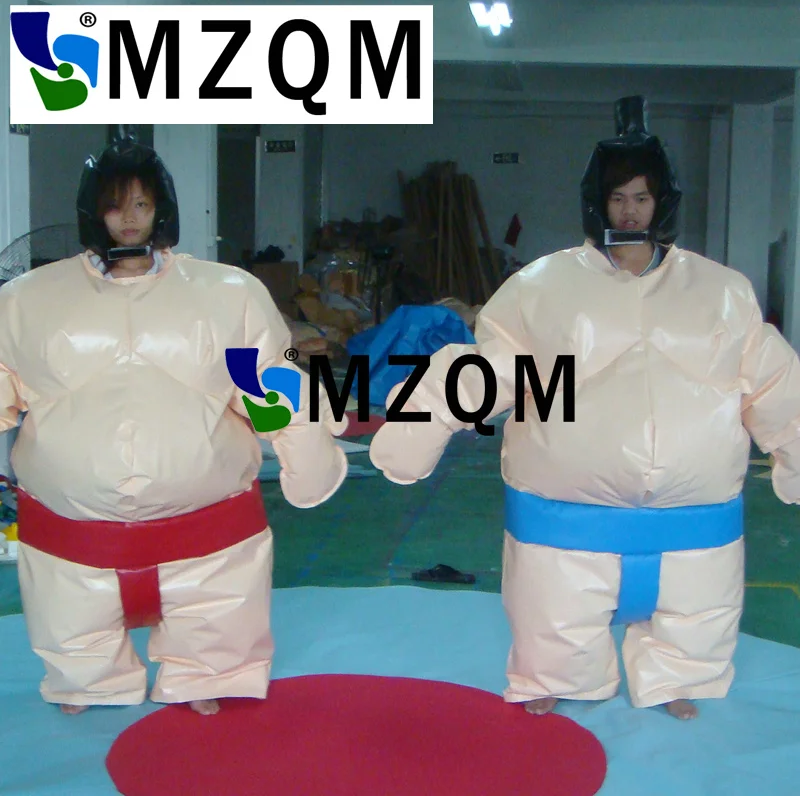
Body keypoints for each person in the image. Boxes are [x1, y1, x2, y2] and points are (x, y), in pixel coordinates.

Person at [369, 96, 800, 721]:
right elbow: (492, 366)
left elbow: (772, 377)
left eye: (642, 197)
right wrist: (418, 427)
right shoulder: (546, 286)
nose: (630, 210)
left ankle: (676, 679)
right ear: (598, 203)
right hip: (568, 512)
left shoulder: (720, 291)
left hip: (693, 512)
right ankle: (552, 675)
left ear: (662, 203)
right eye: (618, 197)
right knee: (555, 607)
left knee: (694, 611)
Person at [0, 137, 348, 716]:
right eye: (115, 205)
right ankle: (86, 681)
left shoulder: (226, 293)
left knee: (214, 610)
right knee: (73, 618)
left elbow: (268, 381)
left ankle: (205, 675)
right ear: (93, 211)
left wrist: (305, 450)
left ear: (162, 208)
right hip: (73, 524)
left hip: (205, 520)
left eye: (141, 204)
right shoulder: (28, 300)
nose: (129, 219)